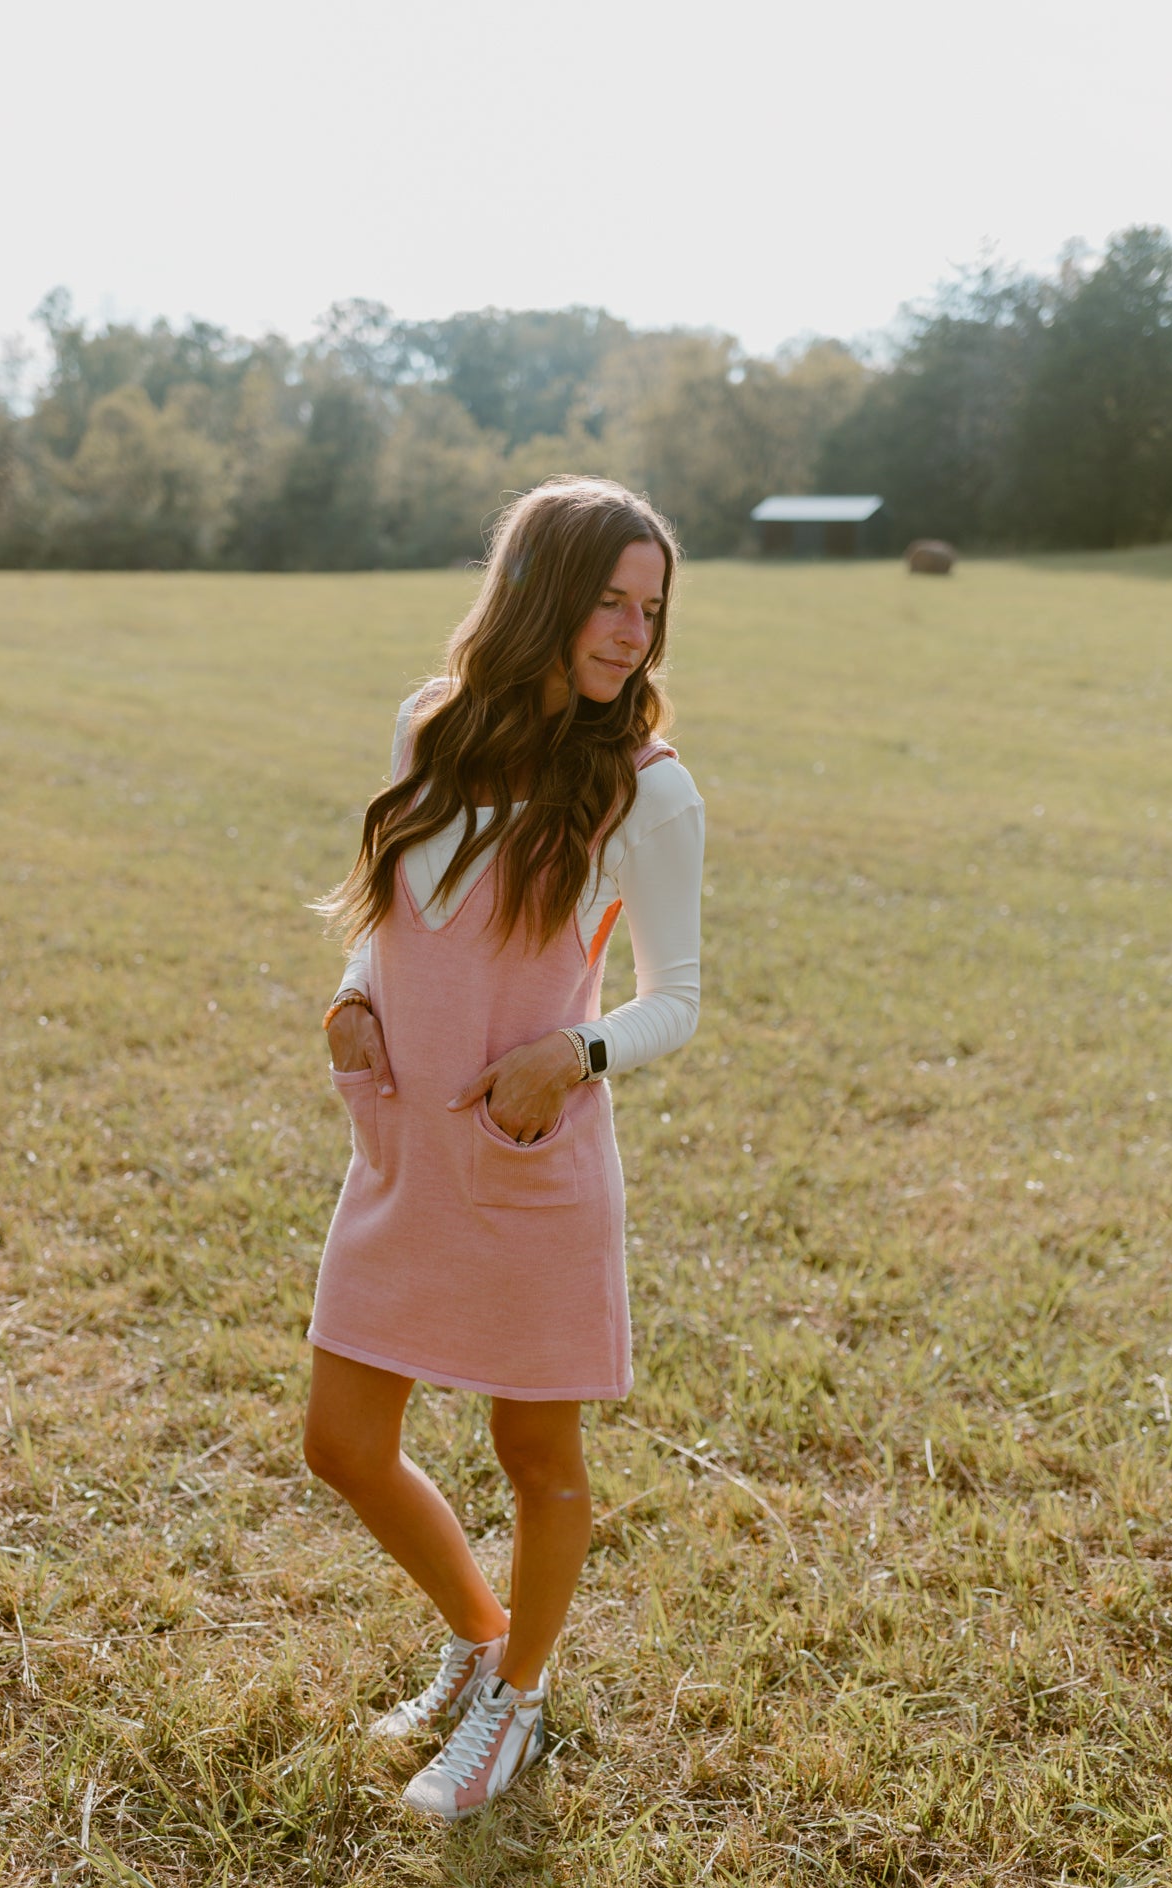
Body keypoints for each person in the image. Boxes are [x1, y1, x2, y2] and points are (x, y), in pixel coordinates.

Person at [304, 475, 704, 1819]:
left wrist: (571, 1053)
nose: (631, 632)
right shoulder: (434, 720)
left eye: (650, 609)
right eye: (608, 598)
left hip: (534, 1161)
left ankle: (515, 1705)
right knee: (341, 1442)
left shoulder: (650, 788)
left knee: (539, 1462)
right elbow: (400, 905)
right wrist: (359, 990)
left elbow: (679, 998)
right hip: (406, 1152)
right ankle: (480, 1638)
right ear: (539, 589)